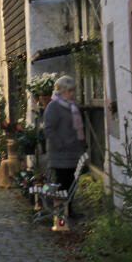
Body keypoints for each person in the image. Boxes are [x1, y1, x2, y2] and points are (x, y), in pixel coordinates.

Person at [43, 75, 86, 214]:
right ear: (61, 91)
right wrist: (61, 144)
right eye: (69, 91)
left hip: (73, 152)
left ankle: (68, 210)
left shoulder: (71, 106)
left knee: (72, 183)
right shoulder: (53, 106)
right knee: (63, 184)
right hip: (60, 154)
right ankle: (62, 212)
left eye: (73, 90)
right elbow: (48, 129)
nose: (72, 94)